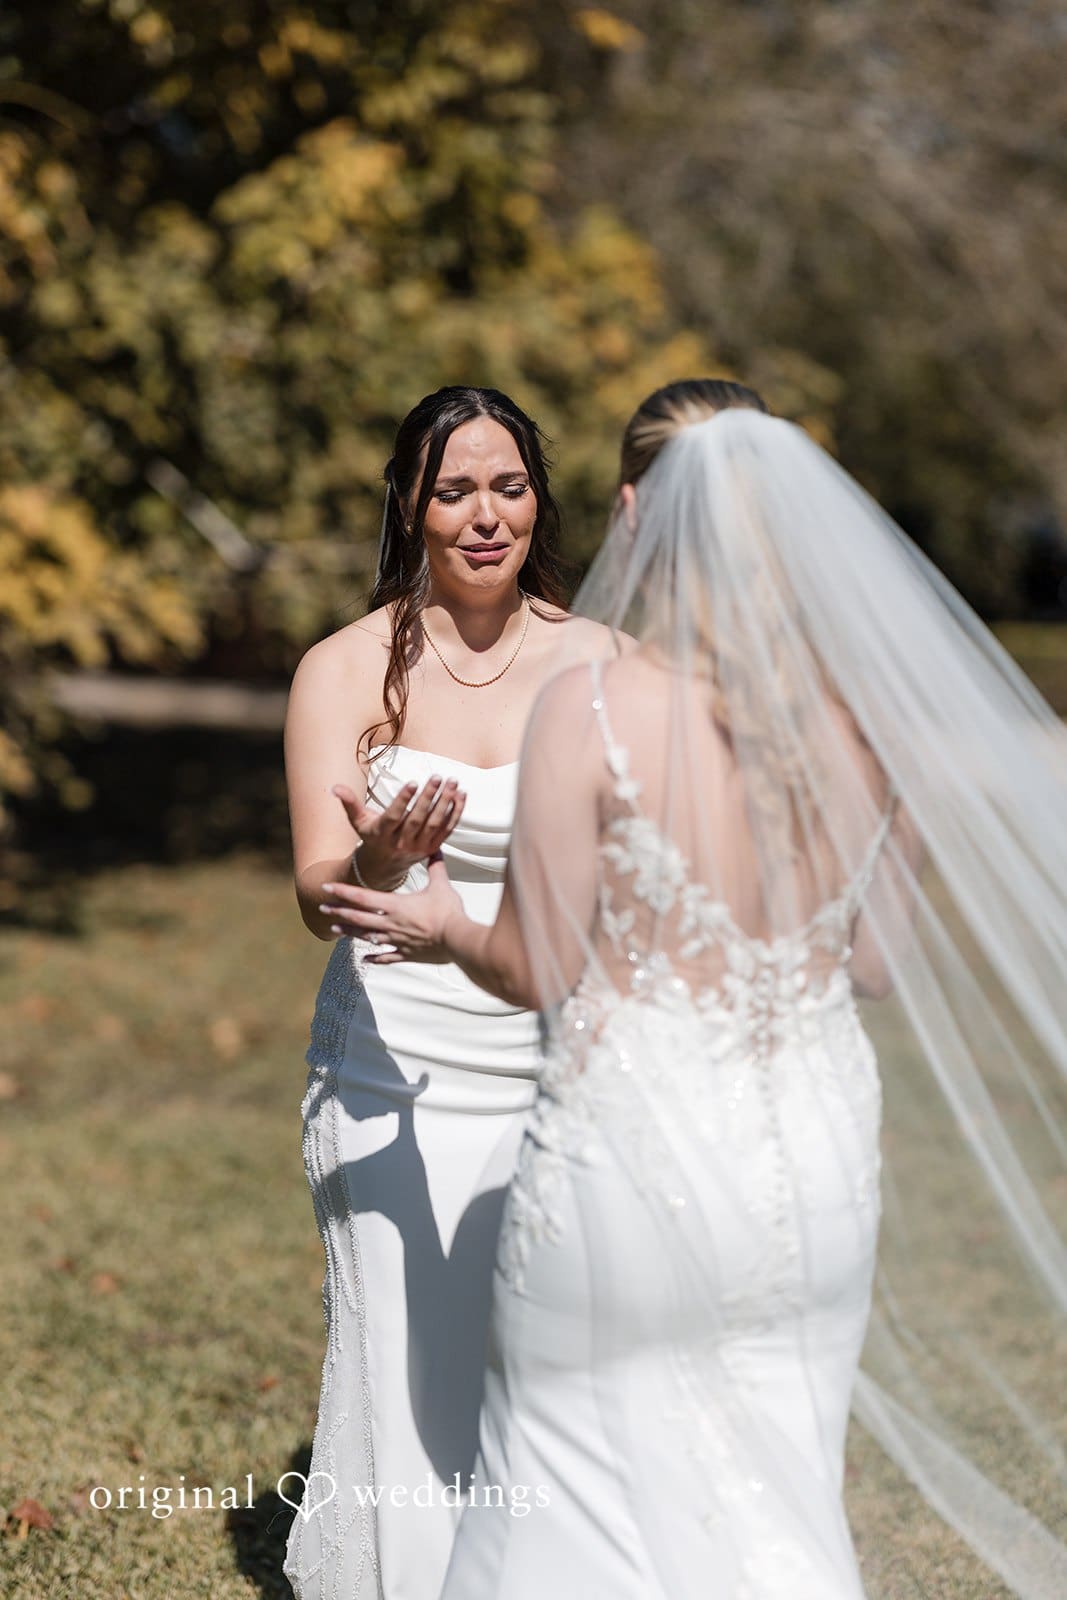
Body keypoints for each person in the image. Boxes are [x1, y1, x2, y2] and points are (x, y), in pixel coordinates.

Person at [324, 380, 1067, 1598]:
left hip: (628, 1173)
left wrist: (447, 920)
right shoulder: (870, 728)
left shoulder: (594, 708)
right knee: (774, 1496)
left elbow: (535, 969)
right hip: (813, 1175)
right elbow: (872, 965)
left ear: (632, 511)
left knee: (571, 1504)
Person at [282, 385, 619, 1600]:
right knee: (405, 1371)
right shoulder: (342, 667)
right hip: (387, 1071)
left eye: (509, 486)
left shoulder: (602, 661)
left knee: (541, 1380)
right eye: (454, 489)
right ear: (411, 506)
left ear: (540, 498)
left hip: (553, 1061)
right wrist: (373, 864)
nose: (486, 515)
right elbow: (317, 888)